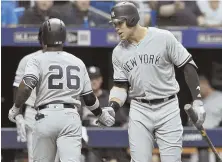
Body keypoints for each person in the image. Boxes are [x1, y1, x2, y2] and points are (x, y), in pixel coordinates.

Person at [107, 2, 206, 162]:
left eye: (120, 23)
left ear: (132, 19)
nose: (116, 28)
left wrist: (198, 100)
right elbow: (120, 85)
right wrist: (113, 107)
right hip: (139, 108)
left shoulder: (163, 37)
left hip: (168, 107)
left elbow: (187, 65)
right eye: (114, 24)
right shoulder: (118, 52)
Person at [8, 18, 115, 162]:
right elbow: (89, 98)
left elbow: (26, 87)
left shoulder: (36, 60)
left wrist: (15, 109)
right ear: (64, 37)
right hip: (70, 116)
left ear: (42, 37)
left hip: (44, 115)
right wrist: (100, 115)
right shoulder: (77, 61)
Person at [12, 26, 43, 162]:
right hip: (34, 112)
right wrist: (17, 113)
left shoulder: (69, 60)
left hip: (60, 112)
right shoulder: (28, 59)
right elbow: (18, 87)